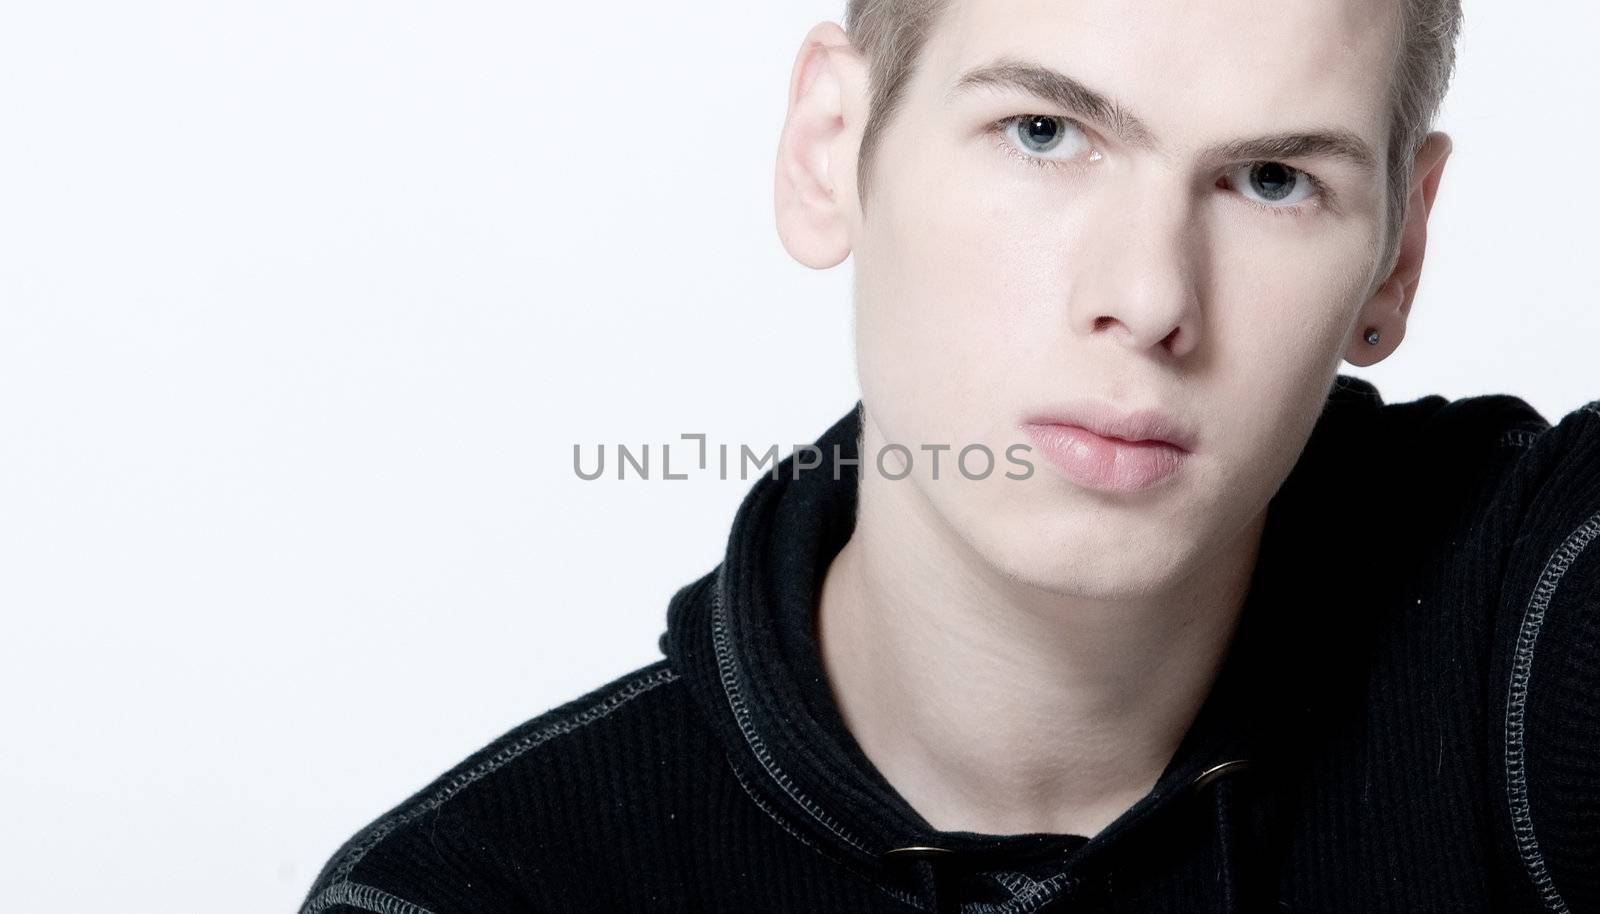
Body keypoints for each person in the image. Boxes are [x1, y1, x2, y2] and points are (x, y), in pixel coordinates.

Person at [298, 0, 1600, 911]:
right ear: (830, 152)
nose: (1149, 297)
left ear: (1399, 252)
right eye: (1045, 131)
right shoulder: (481, 889)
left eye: (1270, 179)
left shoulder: (1526, 637)